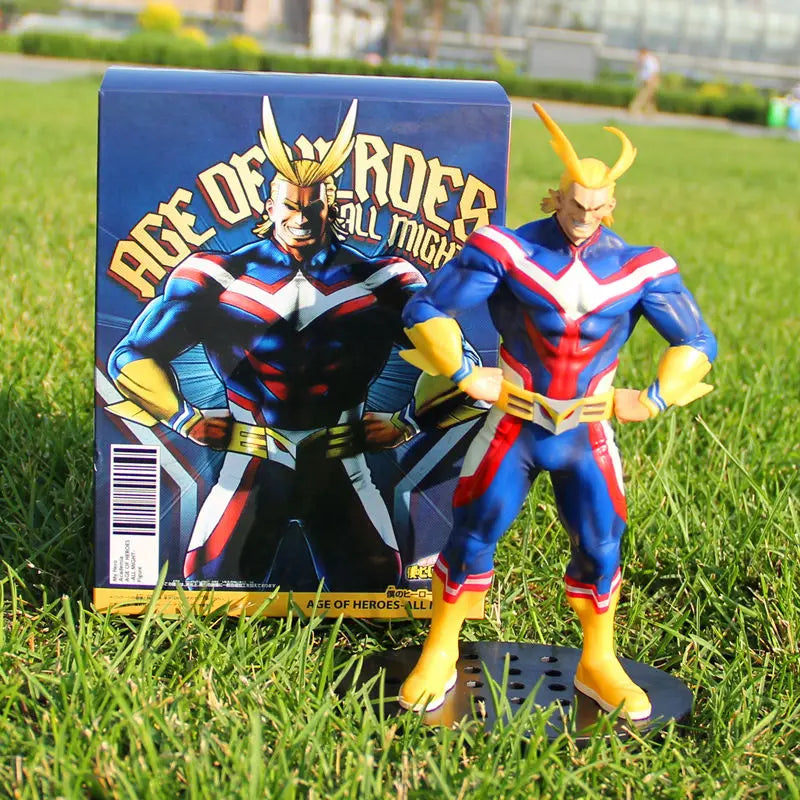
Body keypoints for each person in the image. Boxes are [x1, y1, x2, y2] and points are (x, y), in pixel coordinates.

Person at [397, 103, 717, 718]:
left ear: (611, 206)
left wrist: (653, 397)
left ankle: (599, 661)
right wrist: (464, 372)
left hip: (587, 429)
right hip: (515, 423)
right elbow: (425, 308)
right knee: (472, 532)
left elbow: (697, 341)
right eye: (575, 204)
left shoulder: (639, 268)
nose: (583, 217)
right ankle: (440, 648)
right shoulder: (508, 251)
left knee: (602, 542)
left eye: (596, 208)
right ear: (557, 195)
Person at [107, 98, 471, 591]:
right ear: (270, 206)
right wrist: (185, 419)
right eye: (292, 205)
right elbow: (131, 357)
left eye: (314, 205)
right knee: (207, 592)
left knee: (379, 595)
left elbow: (458, 364)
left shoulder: (383, 280)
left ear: (331, 207)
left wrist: (405, 423)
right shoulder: (216, 276)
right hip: (250, 461)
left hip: (342, 462)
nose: (302, 216)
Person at [629, 48, 660, 115]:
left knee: (642, 96)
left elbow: (654, 71)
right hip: (647, 81)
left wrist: (650, 79)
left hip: (650, 81)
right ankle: (650, 112)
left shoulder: (649, 60)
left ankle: (634, 109)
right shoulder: (645, 60)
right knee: (649, 98)